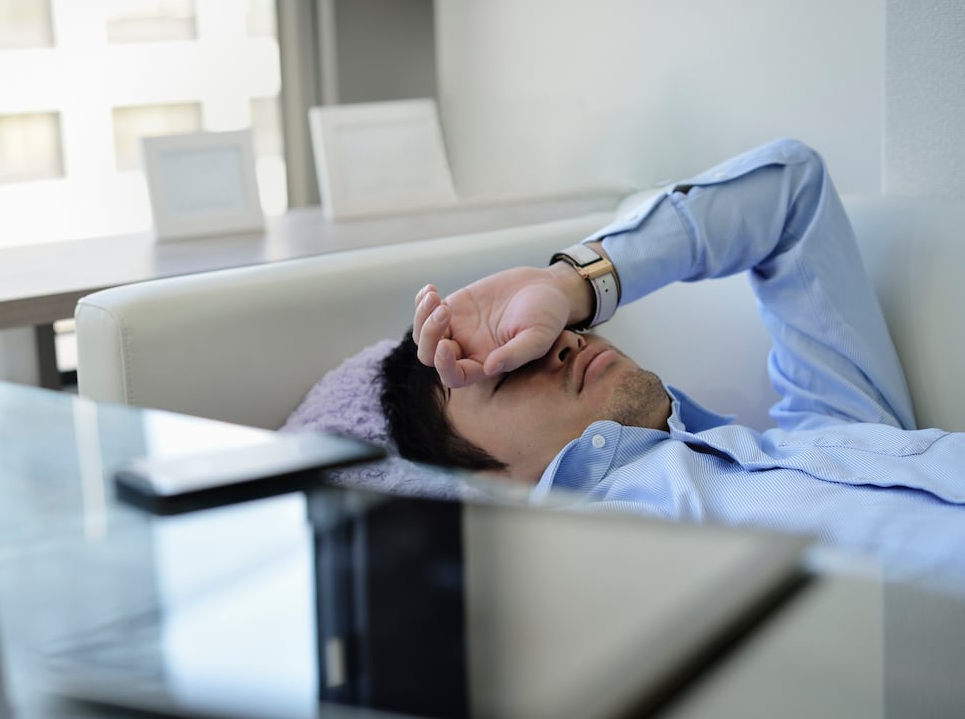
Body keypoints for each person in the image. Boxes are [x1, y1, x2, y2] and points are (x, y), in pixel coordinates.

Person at [378, 138, 965, 587]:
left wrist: (571, 283)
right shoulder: (616, 562)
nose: (563, 343)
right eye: (508, 370)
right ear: (483, 485)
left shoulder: (829, 429)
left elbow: (791, 190)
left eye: (556, 330)